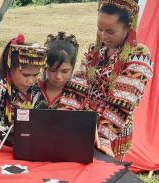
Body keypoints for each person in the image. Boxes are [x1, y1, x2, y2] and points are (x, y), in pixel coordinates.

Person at [59, 0, 154, 161]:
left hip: (111, 133)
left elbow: (121, 104)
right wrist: (66, 118)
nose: (103, 36)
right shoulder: (95, 51)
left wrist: (103, 137)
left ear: (128, 27)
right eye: (100, 29)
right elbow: (76, 89)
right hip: (84, 126)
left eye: (110, 31)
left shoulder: (139, 56)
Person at [33, 32, 79, 109]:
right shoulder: (33, 89)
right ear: (45, 67)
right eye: (52, 70)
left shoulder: (78, 95)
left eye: (64, 71)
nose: (58, 77)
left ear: (73, 68)